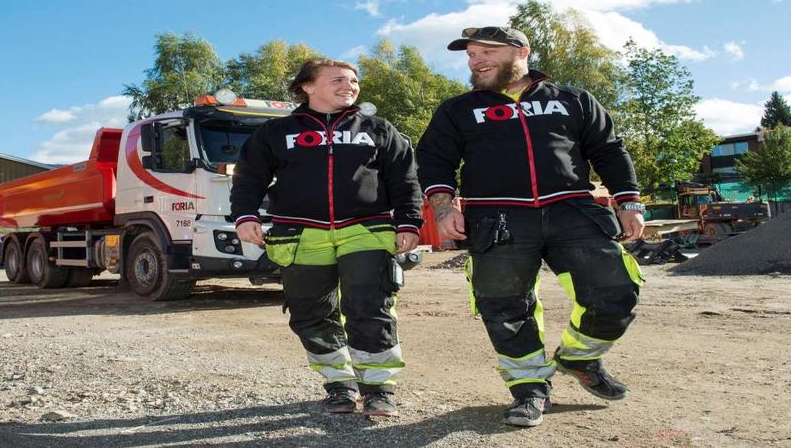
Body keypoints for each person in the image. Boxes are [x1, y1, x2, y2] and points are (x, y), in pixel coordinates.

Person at [416, 27, 646, 427]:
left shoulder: (572, 100)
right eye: (471, 55)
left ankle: (579, 356)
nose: (476, 61)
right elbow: (434, 160)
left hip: (573, 211)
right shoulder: (457, 110)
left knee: (616, 292)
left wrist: (629, 202)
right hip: (496, 218)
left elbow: (609, 150)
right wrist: (443, 207)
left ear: (521, 51)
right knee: (504, 308)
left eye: (487, 51)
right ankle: (529, 390)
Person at [231, 58, 423, 416]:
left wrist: (410, 222)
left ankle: (379, 389)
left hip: (366, 229)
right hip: (299, 233)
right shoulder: (275, 133)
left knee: (369, 307)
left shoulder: (379, 128)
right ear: (307, 86)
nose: (349, 86)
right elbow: (248, 178)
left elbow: (405, 180)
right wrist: (244, 216)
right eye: (337, 80)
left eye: (353, 80)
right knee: (311, 312)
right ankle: (339, 386)